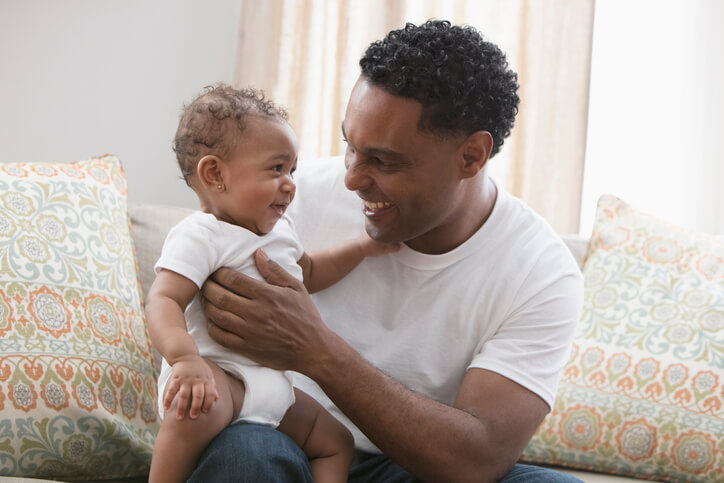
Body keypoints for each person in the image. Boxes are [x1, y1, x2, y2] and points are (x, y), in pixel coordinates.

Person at [196, 20, 585, 482]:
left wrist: (317, 350)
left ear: (471, 156)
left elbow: (477, 458)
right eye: (350, 146)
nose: (352, 179)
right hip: (287, 442)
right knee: (246, 452)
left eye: (383, 160)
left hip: (413, 467)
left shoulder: (540, 271)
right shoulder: (284, 202)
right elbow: (204, 320)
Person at [145, 85, 399, 483]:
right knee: (192, 415)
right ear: (215, 175)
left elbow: (311, 272)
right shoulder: (200, 235)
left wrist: (363, 248)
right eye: (276, 169)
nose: (290, 183)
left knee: (336, 442)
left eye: (293, 170)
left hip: (274, 390)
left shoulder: (281, 231)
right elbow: (163, 301)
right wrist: (185, 359)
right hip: (218, 376)